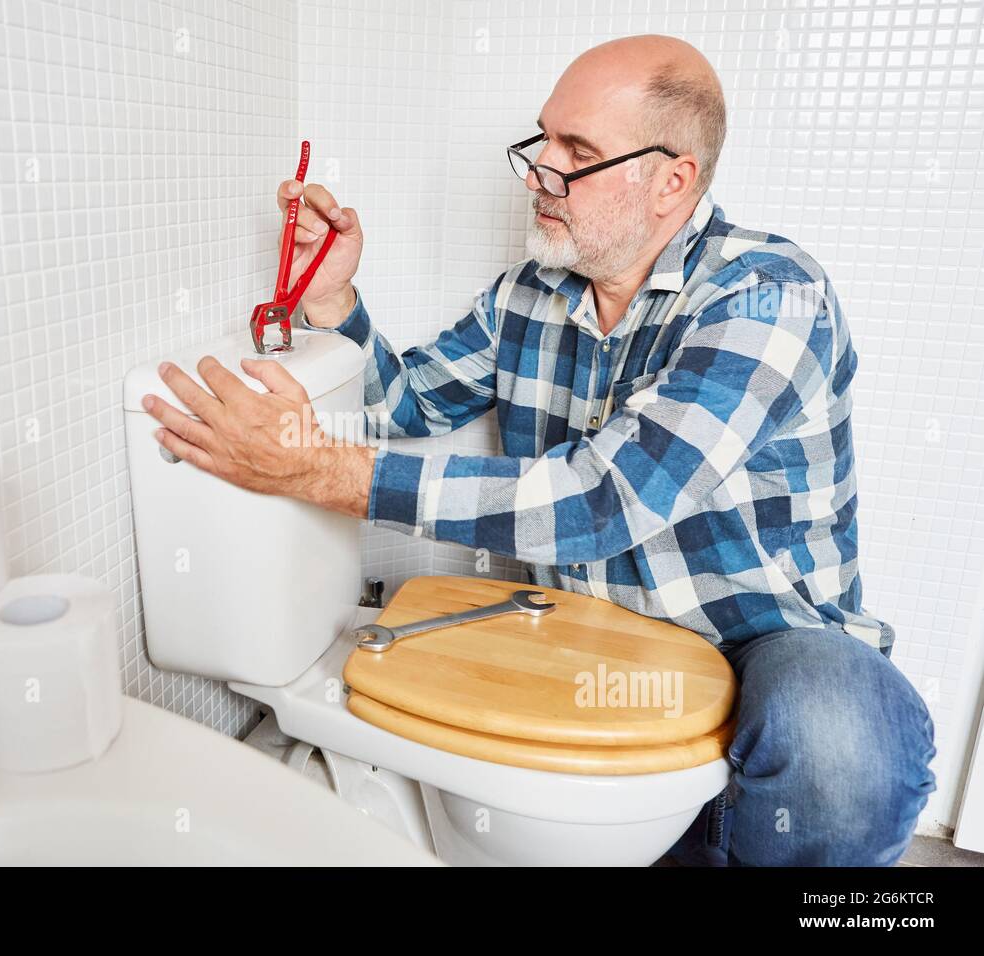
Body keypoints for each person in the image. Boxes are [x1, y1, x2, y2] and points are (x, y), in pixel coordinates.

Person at [139, 34, 936, 865]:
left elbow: (608, 499)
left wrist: (319, 471)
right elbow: (404, 403)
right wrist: (335, 297)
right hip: (587, 635)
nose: (536, 173)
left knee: (843, 746)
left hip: (762, 637)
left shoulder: (771, 296)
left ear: (673, 180)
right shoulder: (529, 294)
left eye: (576, 153)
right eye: (542, 140)